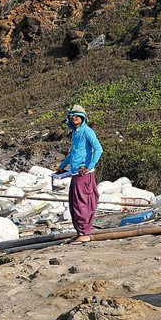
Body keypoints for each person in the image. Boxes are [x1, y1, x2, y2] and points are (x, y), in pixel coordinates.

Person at [57, 104, 102, 244]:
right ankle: (80, 232)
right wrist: (63, 165)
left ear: (83, 118)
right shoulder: (75, 133)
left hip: (84, 174)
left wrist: (88, 166)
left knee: (83, 203)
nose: (74, 118)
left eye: (77, 116)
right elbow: (74, 152)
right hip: (76, 173)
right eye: (72, 116)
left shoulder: (87, 131)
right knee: (74, 204)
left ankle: (85, 233)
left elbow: (98, 149)